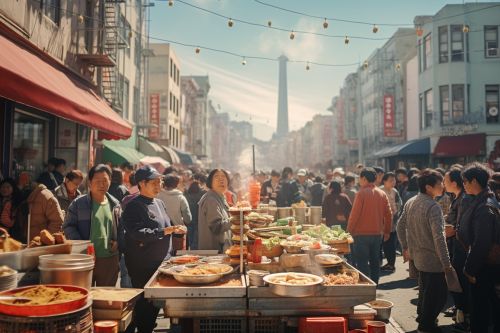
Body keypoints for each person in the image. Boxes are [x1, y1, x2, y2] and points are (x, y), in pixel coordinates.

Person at [123, 165, 182, 333]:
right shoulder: (133, 206)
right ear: (141, 183)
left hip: (161, 263)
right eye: (154, 182)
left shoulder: (160, 203)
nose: (159, 186)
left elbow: (167, 227)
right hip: (142, 266)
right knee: (144, 309)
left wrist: (175, 232)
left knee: (155, 307)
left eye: (160, 182)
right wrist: (165, 231)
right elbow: (137, 233)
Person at [397, 169, 455, 333]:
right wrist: (446, 263)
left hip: (418, 257)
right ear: (428, 187)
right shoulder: (433, 206)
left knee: (425, 291)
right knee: (437, 296)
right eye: (440, 183)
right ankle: (426, 325)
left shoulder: (411, 201)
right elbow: (439, 238)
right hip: (433, 259)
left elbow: (401, 226)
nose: (443, 186)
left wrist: (405, 246)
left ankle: (424, 320)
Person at [63, 164, 123, 287]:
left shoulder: (115, 205)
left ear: (110, 182)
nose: (102, 185)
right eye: (97, 181)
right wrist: (82, 247)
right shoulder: (78, 204)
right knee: (84, 295)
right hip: (85, 260)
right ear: (89, 183)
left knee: (105, 298)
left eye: (105, 181)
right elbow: (68, 226)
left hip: (109, 259)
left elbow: (122, 228)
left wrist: (118, 241)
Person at [458, 162, 500, 333]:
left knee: (481, 309)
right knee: (491, 304)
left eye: (465, 181)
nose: (464, 185)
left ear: (474, 181)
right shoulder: (489, 200)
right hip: (488, 264)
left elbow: (481, 242)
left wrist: (470, 268)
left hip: (484, 266)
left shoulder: (484, 206)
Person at [346, 167, 392, 284]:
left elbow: (354, 215)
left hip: (360, 235)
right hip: (377, 234)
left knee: (362, 263)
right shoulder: (382, 193)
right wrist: (386, 231)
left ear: (364, 178)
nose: (359, 181)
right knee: (375, 262)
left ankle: (366, 287)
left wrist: (348, 233)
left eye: (360, 178)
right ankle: (374, 285)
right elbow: (389, 214)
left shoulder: (361, 193)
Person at [442, 167, 473, 328]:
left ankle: (465, 316)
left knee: (460, 282)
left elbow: (460, 226)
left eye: (445, 181)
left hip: (460, 247)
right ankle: (461, 311)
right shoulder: (457, 196)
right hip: (455, 246)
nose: (443, 184)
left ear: (454, 182)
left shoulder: (464, 199)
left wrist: (449, 227)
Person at [198, 169, 233, 253]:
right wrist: (236, 220)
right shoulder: (211, 200)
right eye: (216, 177)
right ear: (210, 182)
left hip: (219, 250)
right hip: (214, 252)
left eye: (224, 177)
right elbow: (216, 227)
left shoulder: (220, 198)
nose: (221, 180)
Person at [157, 174, 192, 252]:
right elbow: (188, 219)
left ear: (164, 183)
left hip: (160, 232)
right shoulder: (181, 198)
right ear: (176, 184)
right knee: (177, 257)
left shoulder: (157, 196)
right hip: (177, 232)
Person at [380, 172, 402, 271]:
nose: (393, 183)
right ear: (384, 181)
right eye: (390, 181)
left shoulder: (395, 191)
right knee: (383, 245)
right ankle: (387, 263)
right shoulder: (380, 191)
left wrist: (396, 215)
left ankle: (391, 265)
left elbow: (399, 205)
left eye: (394, 180)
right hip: (381, 223)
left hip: (392, 223)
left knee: (390, 245)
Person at [184, 175, 207, 250]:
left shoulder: (186, 194)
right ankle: (195, 252)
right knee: (196, 239)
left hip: (189, 219)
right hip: (198, 219)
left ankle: (190, 250)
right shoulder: (202, 193)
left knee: (190, 237)